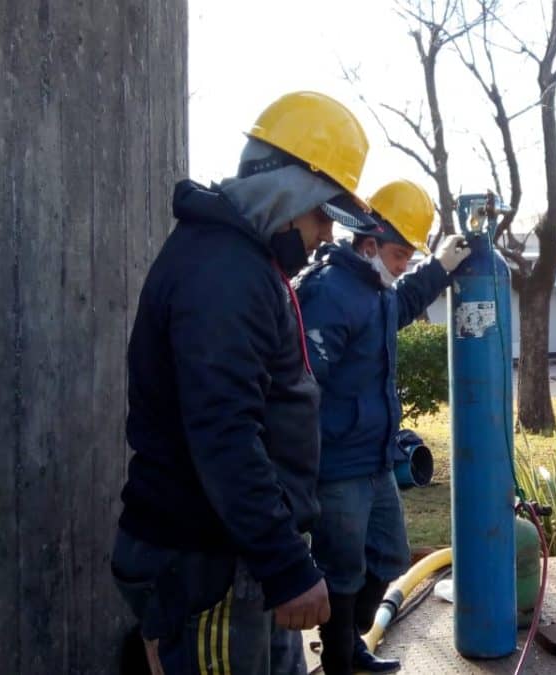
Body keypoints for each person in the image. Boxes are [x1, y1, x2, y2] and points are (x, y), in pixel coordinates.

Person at [113, 91, 386, 675]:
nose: (326, 236)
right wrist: (286, 565)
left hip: (236, 555)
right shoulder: (224, 274)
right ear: (288, 191)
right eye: (322, 214)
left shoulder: (240, 262)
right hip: (206, 560)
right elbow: (224, 433)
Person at [294, 180, 470, 674]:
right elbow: (302, 386)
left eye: (407, 256)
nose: (401, 266)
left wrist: (439, 269)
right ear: (368, 245)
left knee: (389, 556)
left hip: (374, 460)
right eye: (398, 255)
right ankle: (341, 660)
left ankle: (350, 642)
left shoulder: (376, 290)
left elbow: (406, 301)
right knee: (343, 569)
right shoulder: (328, 293)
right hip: (337, 463)